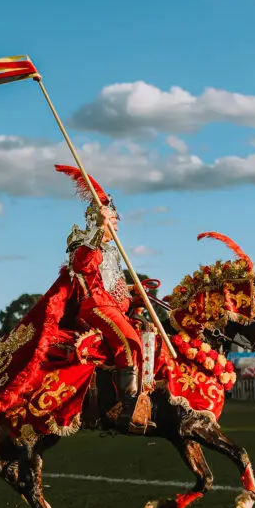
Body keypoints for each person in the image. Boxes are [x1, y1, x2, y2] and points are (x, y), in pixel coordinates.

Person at [57, 164, 156, 433]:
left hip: (115, 307)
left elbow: (117, 289)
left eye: (114, 222)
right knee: (129, 341)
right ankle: (128, 408)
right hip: (96, 307)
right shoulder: (86, 243)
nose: (116, 226)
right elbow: (82, 265)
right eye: (113, 221)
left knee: (148, 334)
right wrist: (99, 230)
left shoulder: (112, 250)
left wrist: (137, 299)